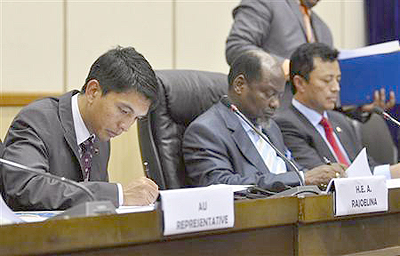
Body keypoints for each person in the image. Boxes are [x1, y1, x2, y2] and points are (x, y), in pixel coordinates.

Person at [1, 46, 160, 210]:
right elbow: (26, 187)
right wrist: (119, 195)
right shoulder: (37, 119)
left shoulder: (100, 134)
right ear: (93, 91)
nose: (125, 126)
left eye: (136, 118)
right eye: (124, 111)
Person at [182, 50, 346, 191]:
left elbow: (291, 170)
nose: (276, 104)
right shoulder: (206, 131)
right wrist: (303, 178)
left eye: (279, 95)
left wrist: (324, 176)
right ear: (240, 85)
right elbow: (220, 185)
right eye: (269, 94)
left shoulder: (270, 127)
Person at [225, 0, 395, 115]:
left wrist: (360, 106)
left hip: (314, 129)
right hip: (272, 116)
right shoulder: (265, 3)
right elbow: (237, 47)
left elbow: (326, 97)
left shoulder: (323, 29)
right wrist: (291, 69)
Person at [274, 43, 400, 179]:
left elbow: (365, 167)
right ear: (300, 83)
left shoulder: (340, 120)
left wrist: (393, 171)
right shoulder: (285, 124)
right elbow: (321, 176)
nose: (336, 88)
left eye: (338, 80)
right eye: (327, 80)